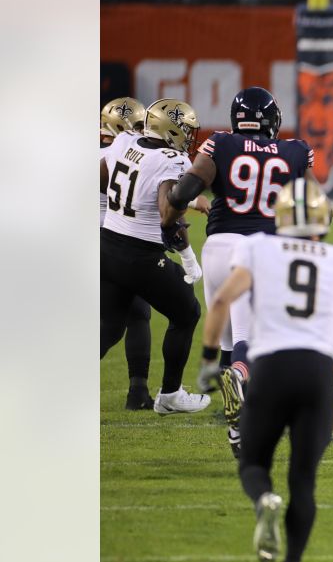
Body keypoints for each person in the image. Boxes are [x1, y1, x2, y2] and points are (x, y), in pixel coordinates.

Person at [195, 177, 333, 562]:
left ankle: (263, 499)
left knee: (253, 463)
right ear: (324, 219)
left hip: (270, 367)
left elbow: (224, 300)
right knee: (303, 481)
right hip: (317, 372)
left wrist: (210, 359)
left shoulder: (257, 247)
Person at [169, 86, 315, 457]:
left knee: (231, 344)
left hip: (217, 249)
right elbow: (315, 209)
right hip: (260, 251)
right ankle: (241, 386)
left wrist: (173, 216)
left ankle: (237, 432)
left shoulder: (220, 144)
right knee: (252, 346)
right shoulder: (295, 151)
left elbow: (182, 192)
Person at [100, 98, 208, 416]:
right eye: (185, 130)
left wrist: (127, 205)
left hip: (108, 245)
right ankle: (171, 395)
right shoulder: (172, 161)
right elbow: (166, 215)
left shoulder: (123, 141)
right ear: (170, 128)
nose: (189, 136)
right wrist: (188, 258)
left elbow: (102, 178)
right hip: (140, 254)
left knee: (109, 329)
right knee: (187, 311)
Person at [100, 97, 155, 410]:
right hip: (115, 242)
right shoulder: (124, 153)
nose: (141, 132)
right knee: (115, 324)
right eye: (136, 126)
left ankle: (138, 391)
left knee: (134, 315)